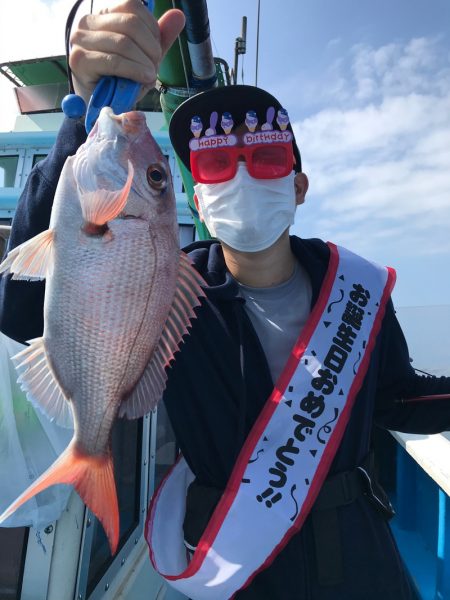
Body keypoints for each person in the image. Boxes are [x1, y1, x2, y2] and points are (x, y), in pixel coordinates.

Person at [1, 1, 450, 598]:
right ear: (198, 193)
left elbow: (397, 398)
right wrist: (81, 122)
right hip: (232, 564)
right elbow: (23, 306)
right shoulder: (170, 287)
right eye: (215, 162)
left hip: (360, 554)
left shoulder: (358, 288)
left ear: (298, 186)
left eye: (264, 158)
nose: (241, 175)